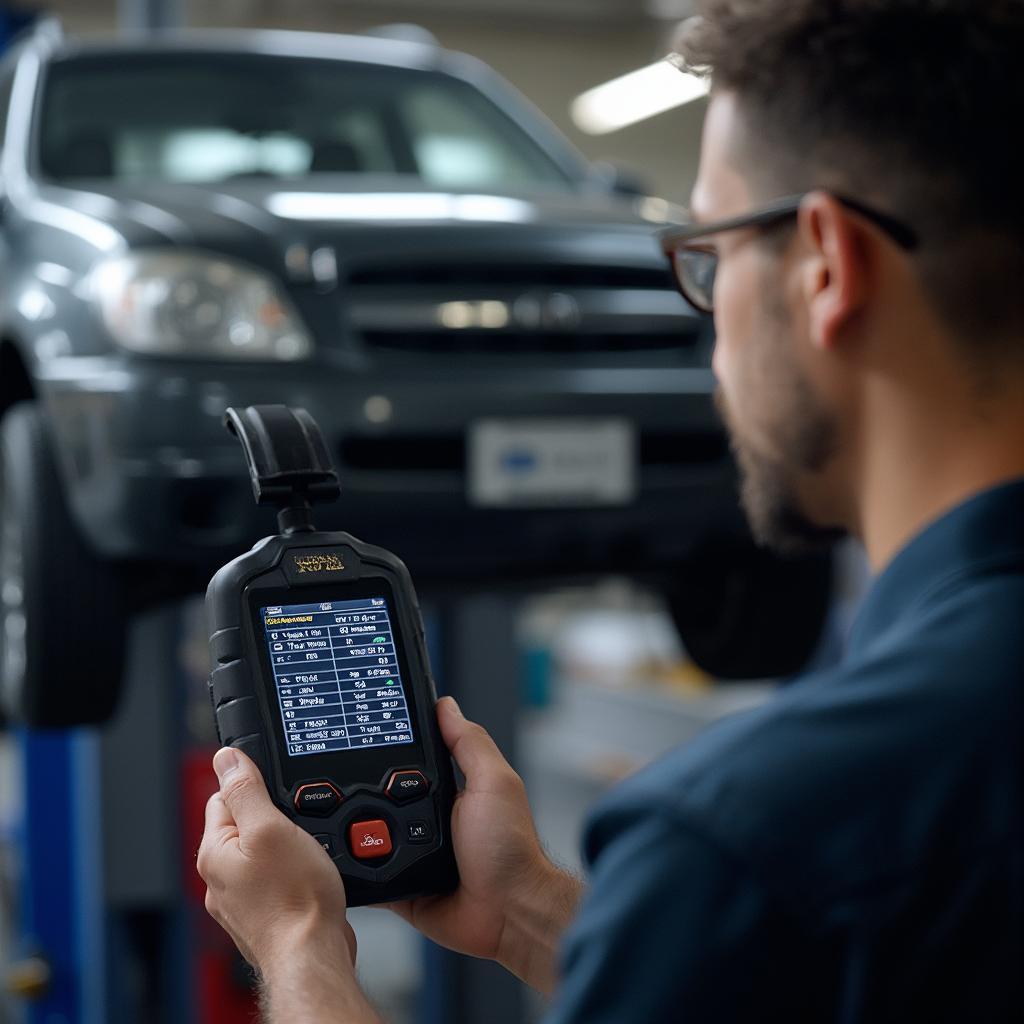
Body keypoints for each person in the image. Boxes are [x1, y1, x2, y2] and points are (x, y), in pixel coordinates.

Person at [198, 1, 1024, 1020]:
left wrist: (297, 948)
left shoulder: (750, 840)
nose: (707, 316)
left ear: (825, 267)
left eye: (712, 257)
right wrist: (528, 913)